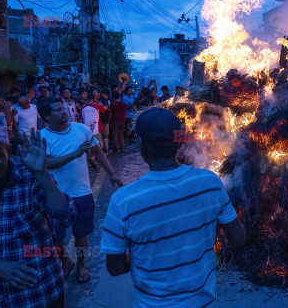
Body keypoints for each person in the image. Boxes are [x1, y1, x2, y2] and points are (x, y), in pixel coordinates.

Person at [100, 108, 245, 307]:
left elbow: (115, 268)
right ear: (179, 143)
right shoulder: (211, 182)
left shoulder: (123, 200)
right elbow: (239, 238)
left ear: (141, 145)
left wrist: (147, 253)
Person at [0, 108, 76, 307]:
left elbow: (66, 216)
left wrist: (42, 174)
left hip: (40, 294)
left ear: (8, 152)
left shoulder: (28, 177)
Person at [38, 98, 123, 284]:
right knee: (57, 237)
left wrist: (112, 173)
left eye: (63, 109)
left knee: (81, 234)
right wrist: (75, 154)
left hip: (82, 192)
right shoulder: (42, 136)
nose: (64, 112)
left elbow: (97, 152)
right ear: (46, 116)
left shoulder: (81, 129)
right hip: (55, 196)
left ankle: (81, 264)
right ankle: (66, 261)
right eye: (57, 110)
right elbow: (47, 163)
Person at [99, 88, 111, 153]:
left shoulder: (108, 101)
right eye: (105, 95)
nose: (106, 97)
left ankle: (106, 148)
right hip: (100, 120)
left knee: (106, 134)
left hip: (106, 120)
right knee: (100, 135)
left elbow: (109, 110)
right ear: (101, 94)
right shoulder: (99, 102)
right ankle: (102, 149)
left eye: (107, 95)